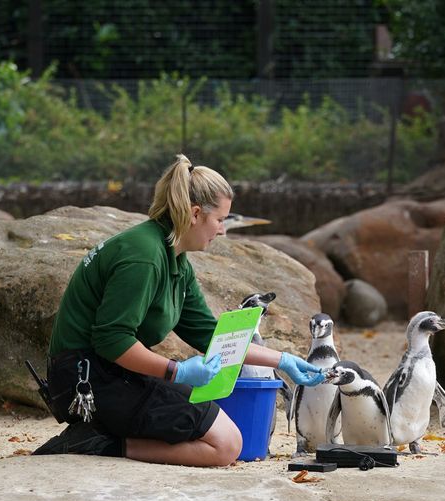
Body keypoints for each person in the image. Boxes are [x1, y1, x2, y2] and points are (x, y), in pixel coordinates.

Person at [33, 154, 325, 466]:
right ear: (196, 214)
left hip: (116, 373)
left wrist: (282, 360)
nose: (223, 230)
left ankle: (104, 436)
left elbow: (212, 336)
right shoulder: (144, 255)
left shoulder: (175, 259)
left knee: (222, 433)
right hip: (88, 379)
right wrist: (176, 372)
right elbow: (111, 340)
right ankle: (97, 443)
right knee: (225, 445)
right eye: (220, 219)